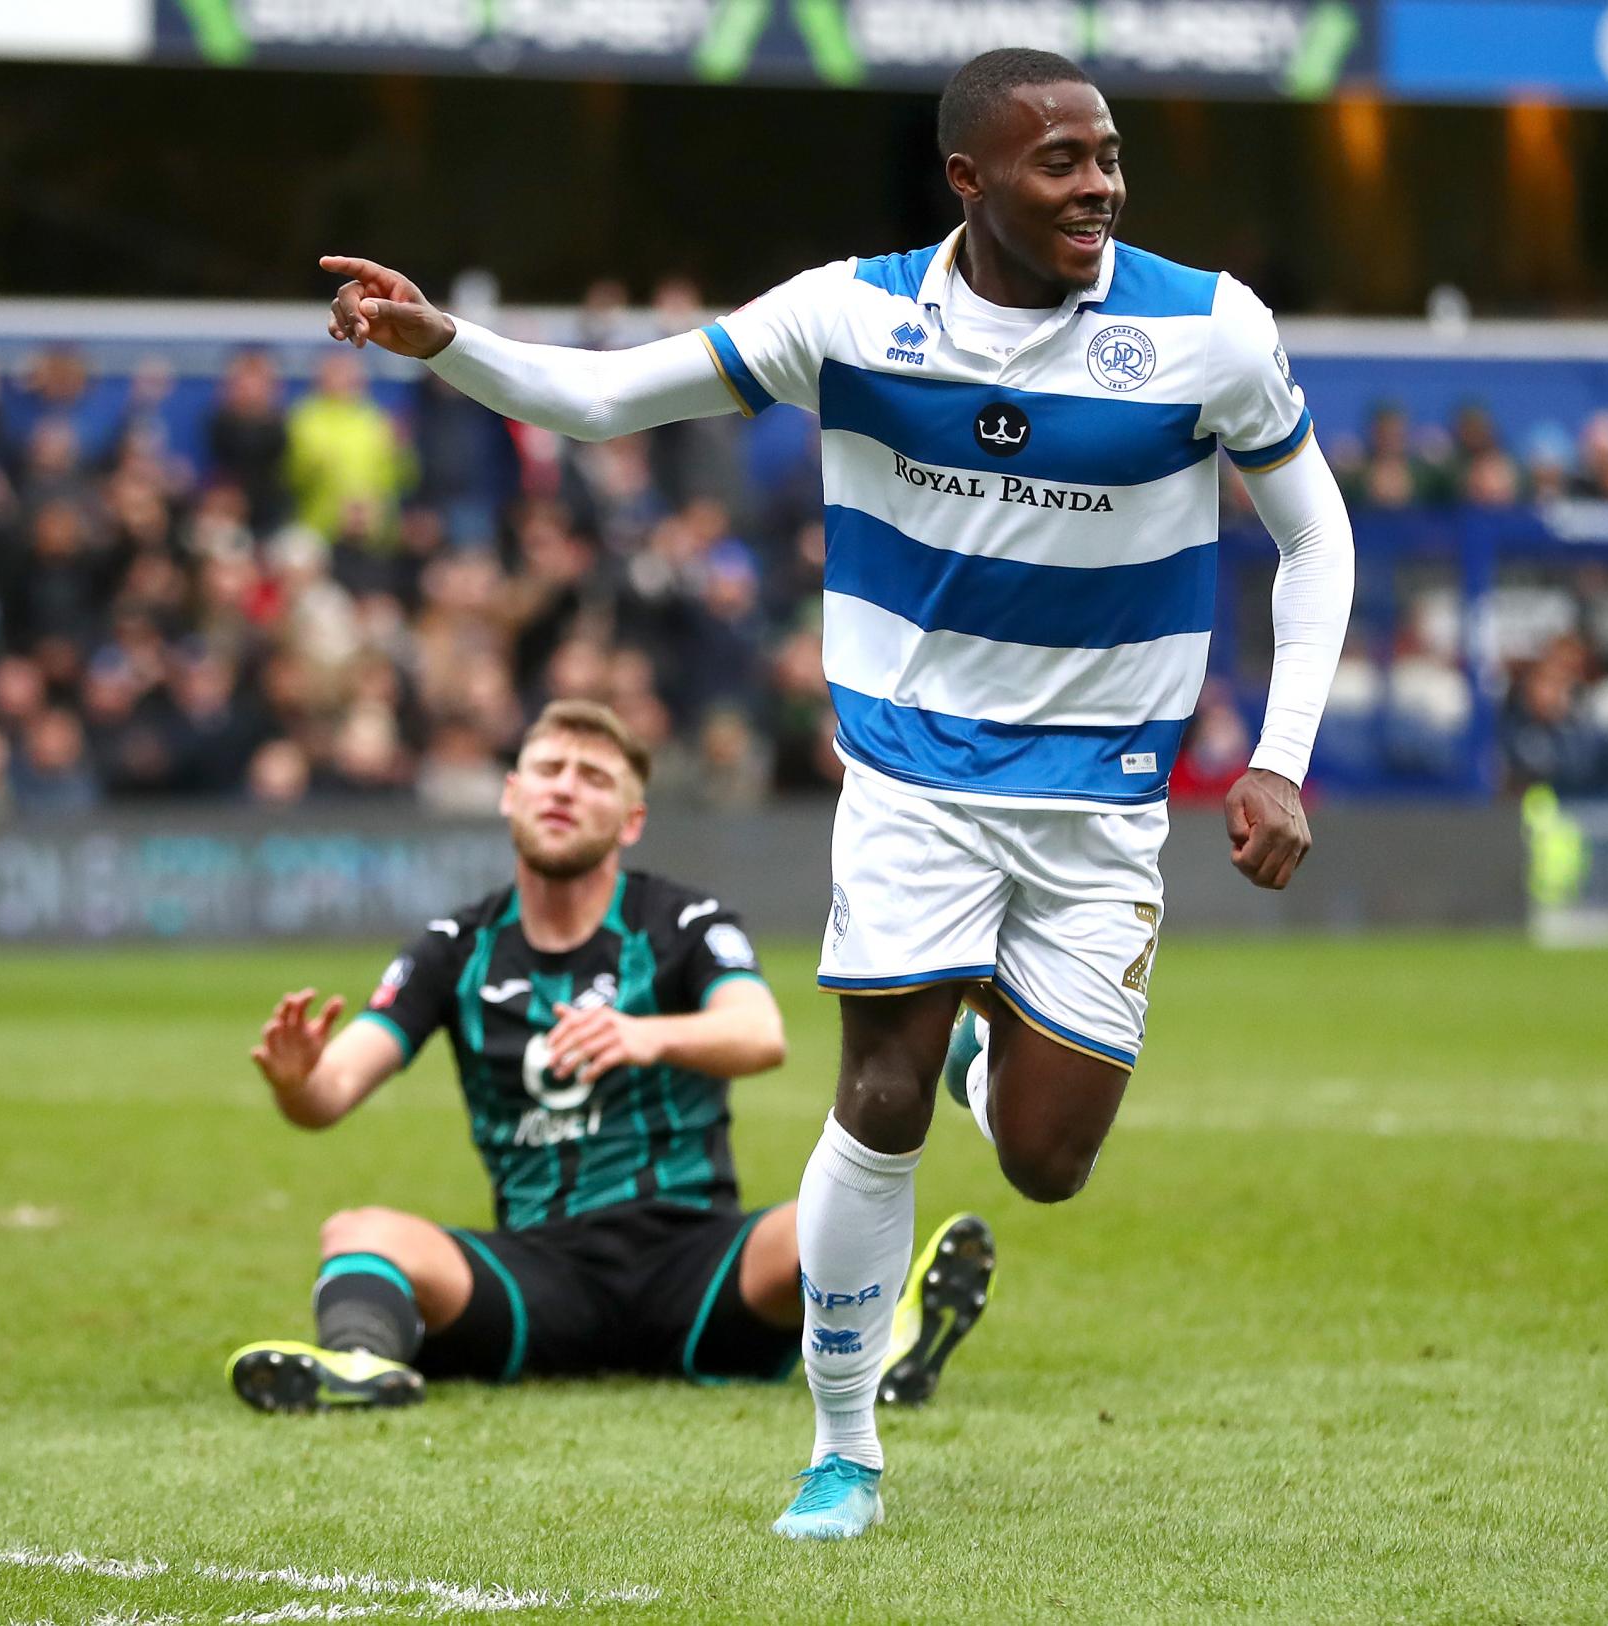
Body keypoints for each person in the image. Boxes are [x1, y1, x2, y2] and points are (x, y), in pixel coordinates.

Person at [315, 45, 1353, 1539]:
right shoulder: (849, 314)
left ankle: (977, 1053)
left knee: (1052, 1161)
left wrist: (1280, 755)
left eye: (1109, 156)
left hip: (1101, 801)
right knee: (873, 1099)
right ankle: (845, 1446)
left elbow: (1316, 538)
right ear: (969, 179)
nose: (1099, 186)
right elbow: (603, 399)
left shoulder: (1207, 330)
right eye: (1060, 161)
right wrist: (445, 344)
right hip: (914, 776)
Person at [226, 700, 997, 1416]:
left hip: (696, 1261)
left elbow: (759, 1033)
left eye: (593, 778)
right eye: (548, 770)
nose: (565, 790)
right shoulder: (453, 948)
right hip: (536, 1274)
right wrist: (297, 1081)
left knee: (825, 1219)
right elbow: (331, 1093)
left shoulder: (683, 920)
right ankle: (361, 1366)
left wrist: (644, 1035)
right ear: (509, 793)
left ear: (631, 821)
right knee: (358, 1232)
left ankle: (889, 1345)